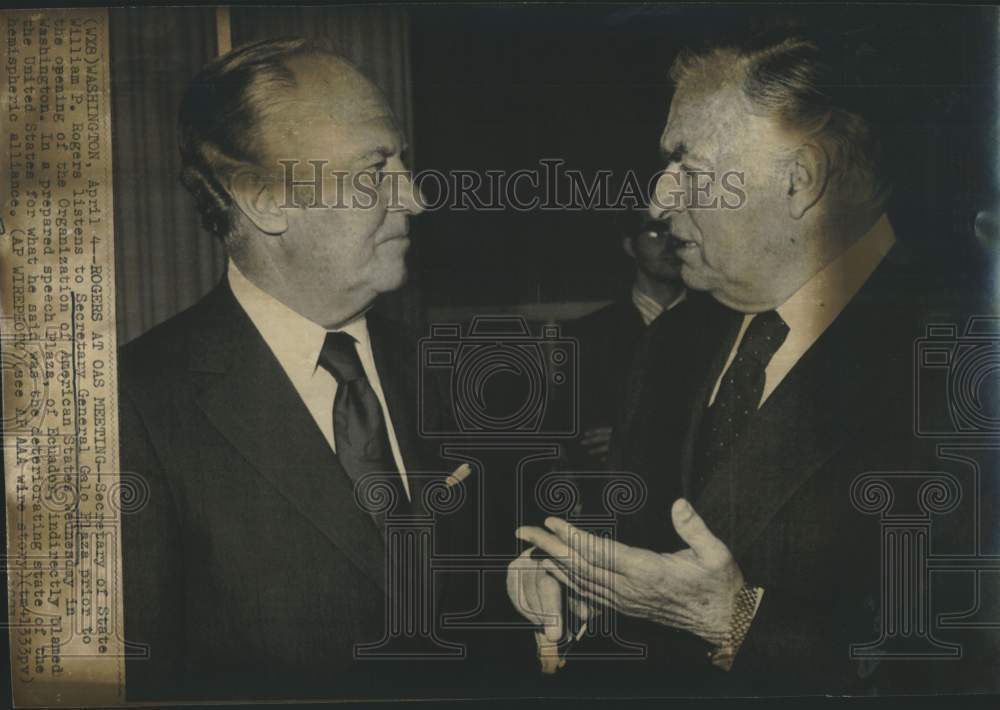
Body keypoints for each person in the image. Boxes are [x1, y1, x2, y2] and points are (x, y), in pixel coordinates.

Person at [508, 25, 998, 694]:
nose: (658, 200)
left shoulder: (967, 361)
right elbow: (636, 547)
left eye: (690, 169)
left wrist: (736, 620)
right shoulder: (673, 340)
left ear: (799, 181)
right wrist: (582, 584)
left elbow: (968, 666)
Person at [119, 38, 471, 700]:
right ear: (265, 199)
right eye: (374, 168)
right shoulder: (135, 408)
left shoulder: (447, 371)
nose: (415, 197)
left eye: (403, 159)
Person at [562, 212, 687, 468]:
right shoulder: (589, 334)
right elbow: (583, 433)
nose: (671, 242)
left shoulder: (719, 326)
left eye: (678, 231)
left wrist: (638, 442)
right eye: (656, 233)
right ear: (630, 245)